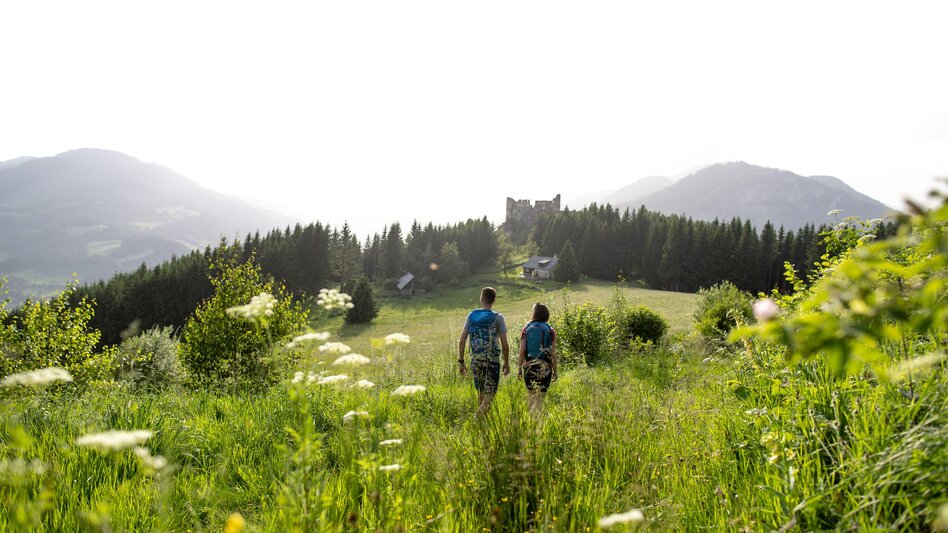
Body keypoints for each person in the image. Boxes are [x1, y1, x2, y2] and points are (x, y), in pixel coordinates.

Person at [458, 287, 510, 415]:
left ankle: (483, 423)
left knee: (481, 391)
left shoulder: (472, 315)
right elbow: (505, 345)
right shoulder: (498, 318)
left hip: (476, 359)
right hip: (492, 360)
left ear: (481, 299)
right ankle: (478, 417)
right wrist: (506, 362)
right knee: (490, 394)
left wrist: (461, 361)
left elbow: (462, 340)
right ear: (494, 300)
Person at [518, 303, 557, 414]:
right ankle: (536, 423)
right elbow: (553, 353)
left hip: (529, 366)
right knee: (540, 398)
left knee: (531, 396)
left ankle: (528, 423)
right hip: (546, 367)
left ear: (534, 314)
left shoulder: (526, 329)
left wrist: (519, 368)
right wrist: (555, 371)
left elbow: (522, 352)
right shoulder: (550, 330)